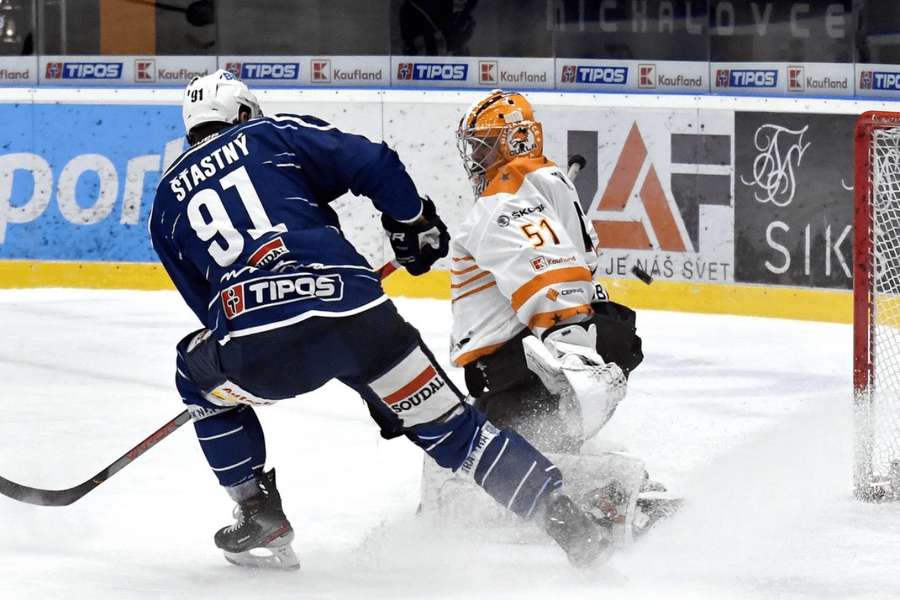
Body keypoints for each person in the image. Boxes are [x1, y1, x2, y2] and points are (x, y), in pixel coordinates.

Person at [149, 70, 613, 570]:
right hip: (361, 321)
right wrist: (411, 223)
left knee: (194, 377)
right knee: (460, 435)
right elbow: (373, 161)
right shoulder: (271, 133)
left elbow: (209, 309)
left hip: (262, 346)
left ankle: (256, 508)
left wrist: (254, 349)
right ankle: (564, 517)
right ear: (242, 113)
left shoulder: (164, 207)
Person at [420, 89, 662, 544]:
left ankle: (613, 492)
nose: (475, 157)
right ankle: (616, 486)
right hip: (559, 351)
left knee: (469, 466)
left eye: (483, 144)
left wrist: (572, 351)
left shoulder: (506, 197)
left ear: (513, 141)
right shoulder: (549, 184)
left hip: (533, 365)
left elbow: (553, 277)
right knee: (514, 445)